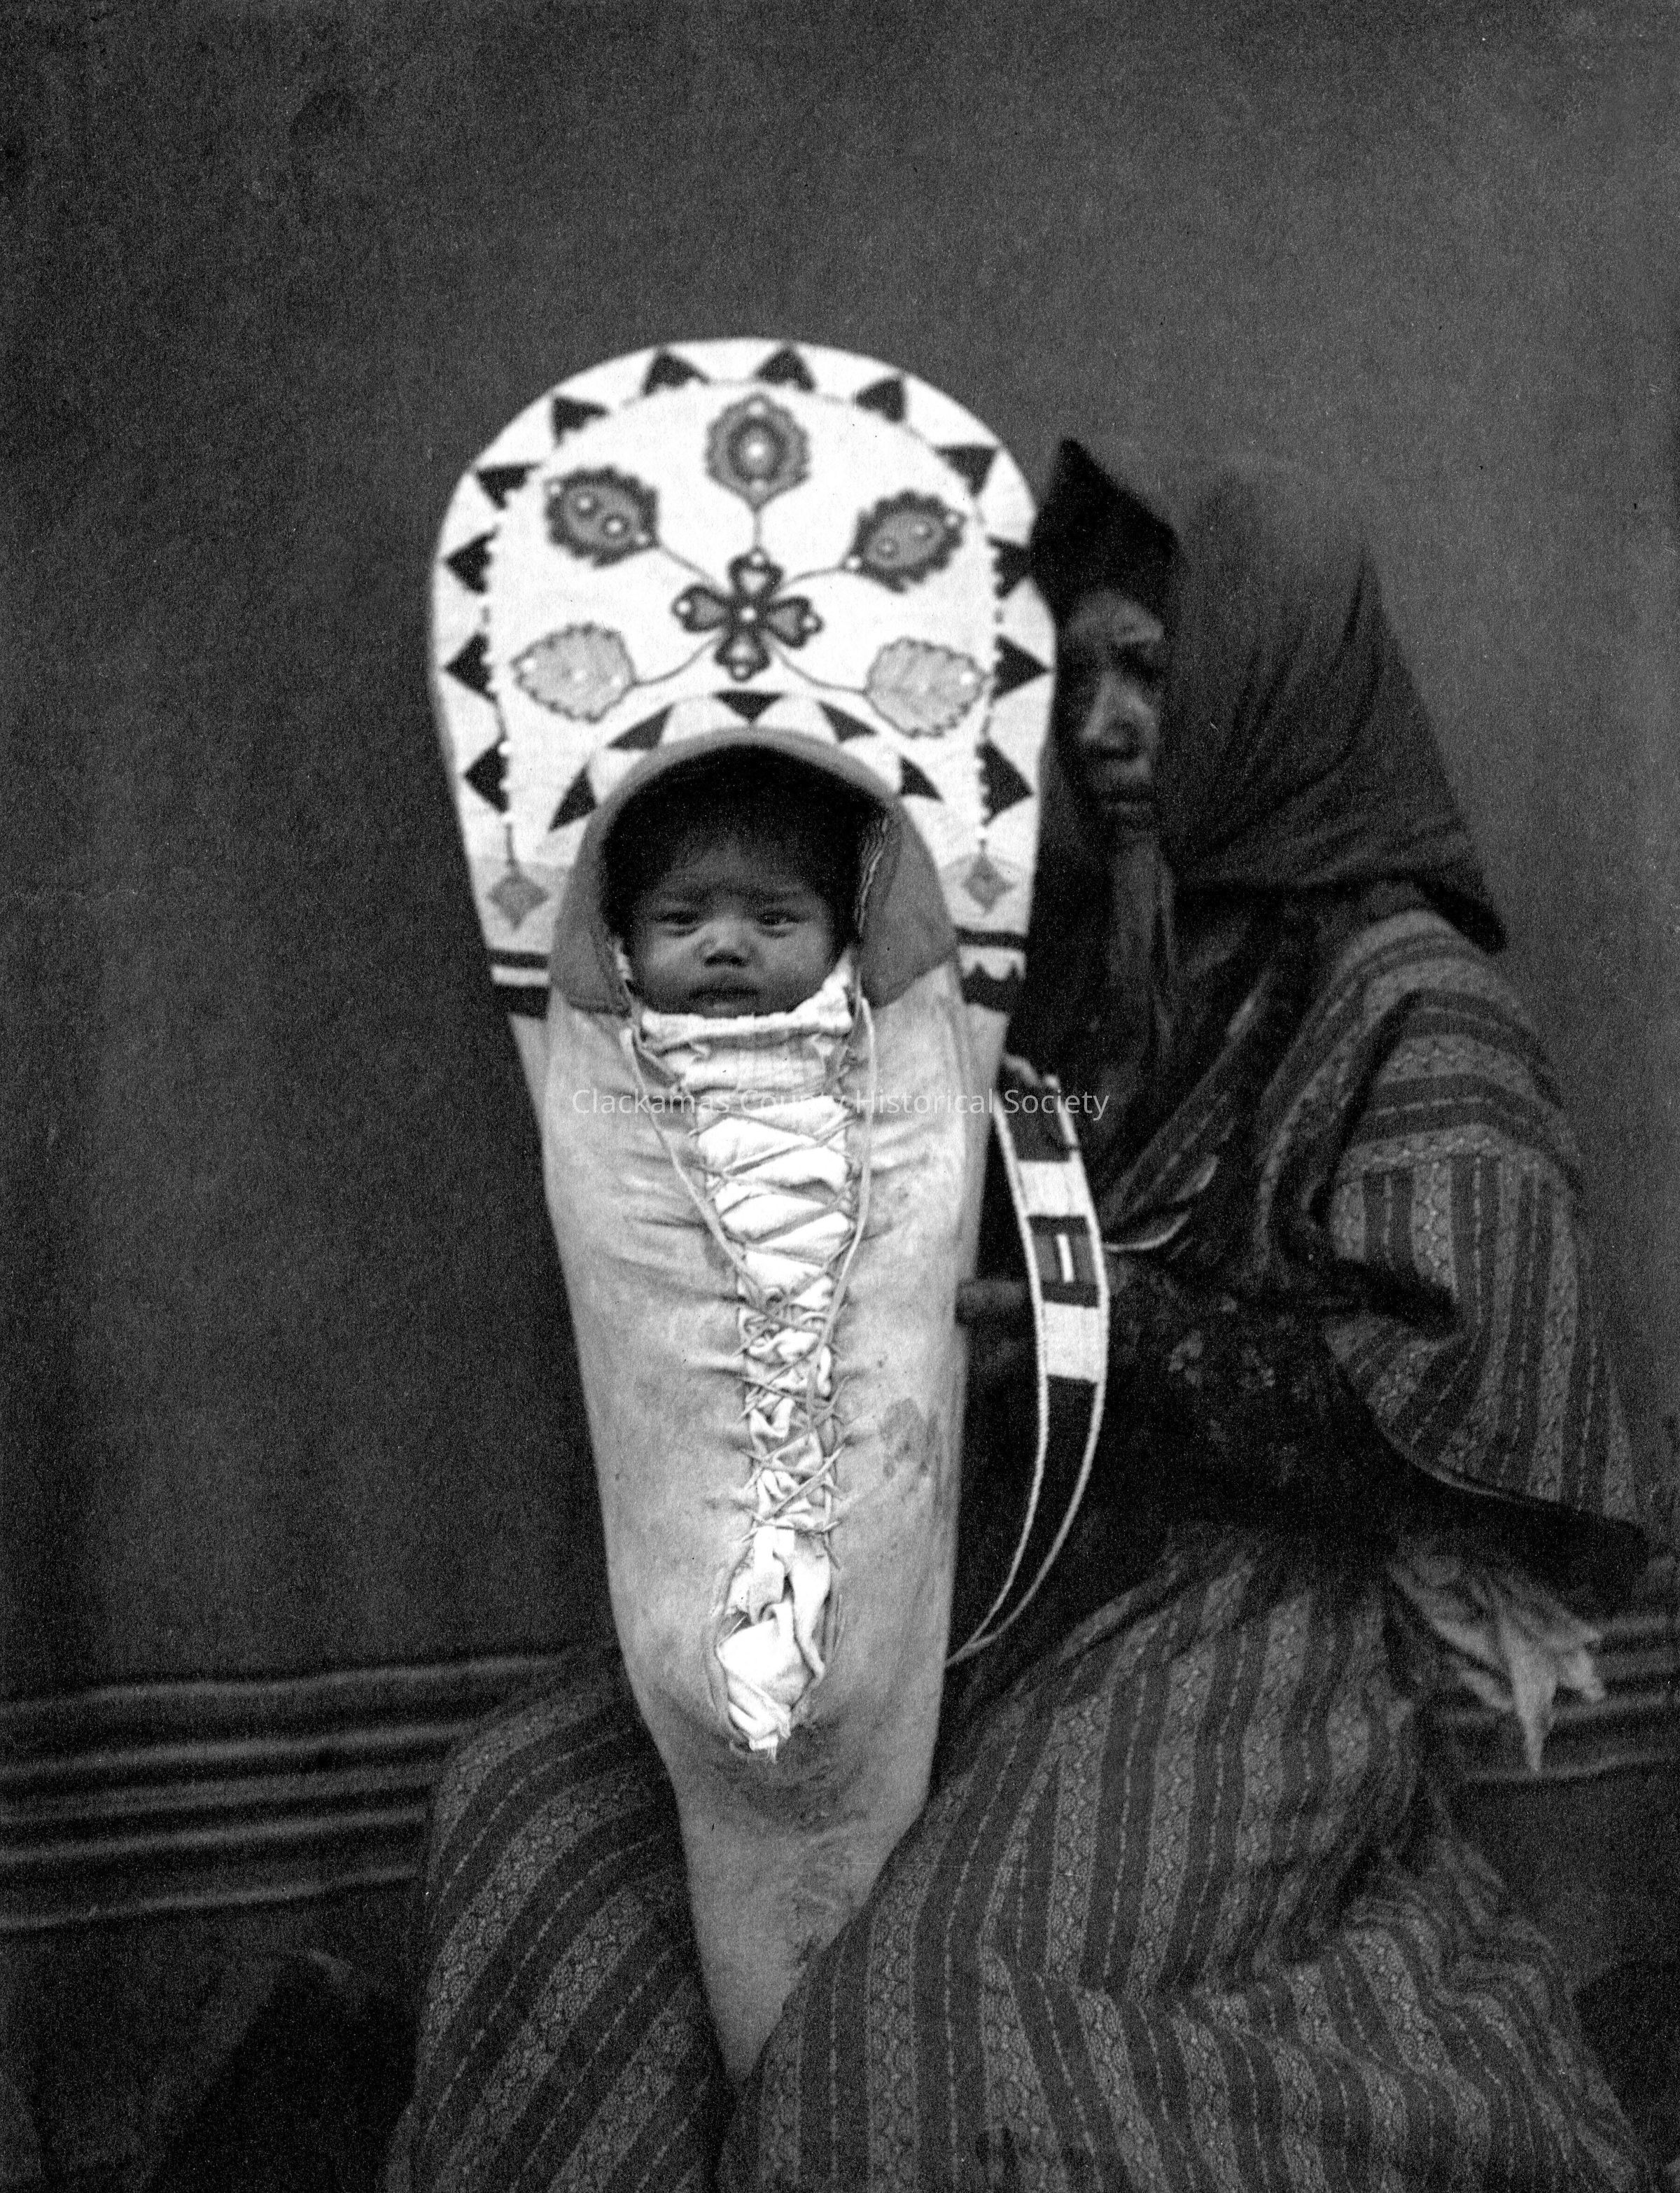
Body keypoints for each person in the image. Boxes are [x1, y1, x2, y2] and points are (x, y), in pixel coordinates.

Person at [402, 446, 1662, 2191]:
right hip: (992, 1563)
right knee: (533, 1823)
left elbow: (1473, 1413)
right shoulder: (1084, 967)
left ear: (1279, 683)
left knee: (904, 2042)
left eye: (1155, 671)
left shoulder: (1417, 1009)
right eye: (1077, 678)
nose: (1102, 727)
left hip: (1246, 1627)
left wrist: (1128, 1334)